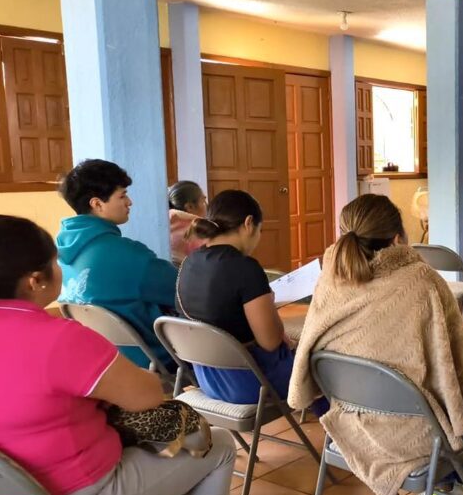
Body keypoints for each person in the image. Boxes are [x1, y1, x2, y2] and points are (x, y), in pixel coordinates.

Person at [0, 215, 235, 495]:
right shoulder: (57, 339)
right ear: (35, 281)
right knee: (220, 446)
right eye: (55, 262)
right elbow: (147, 396)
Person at [288, 194, 463, 495]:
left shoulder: (330, 279)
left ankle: (441, 492)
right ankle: (444, 487)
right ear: (397, 239)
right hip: (415, 432)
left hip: (351, 421)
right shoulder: (422, 280)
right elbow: (456, 364)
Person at [175, 190, 327, 416]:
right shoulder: (245, 268)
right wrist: (270, 307)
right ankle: (333, 429)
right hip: (252, 383)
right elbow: (270, 342)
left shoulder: (189, 263)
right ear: (248, 223)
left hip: (207, 379)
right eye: (259, 229)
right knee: (325, 363)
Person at [56, 159, 178, 371]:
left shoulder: (61, 252)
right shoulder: (128, 255)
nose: (129, 202)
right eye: (122, 196)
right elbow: (185, 292)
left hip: (96, 358)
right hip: (149, 360)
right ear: (97, 204)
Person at [168, 180, 208, 265]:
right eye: (203, 201)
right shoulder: (196, 233)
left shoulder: (165, 226)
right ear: (190, 207)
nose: (206, 205)